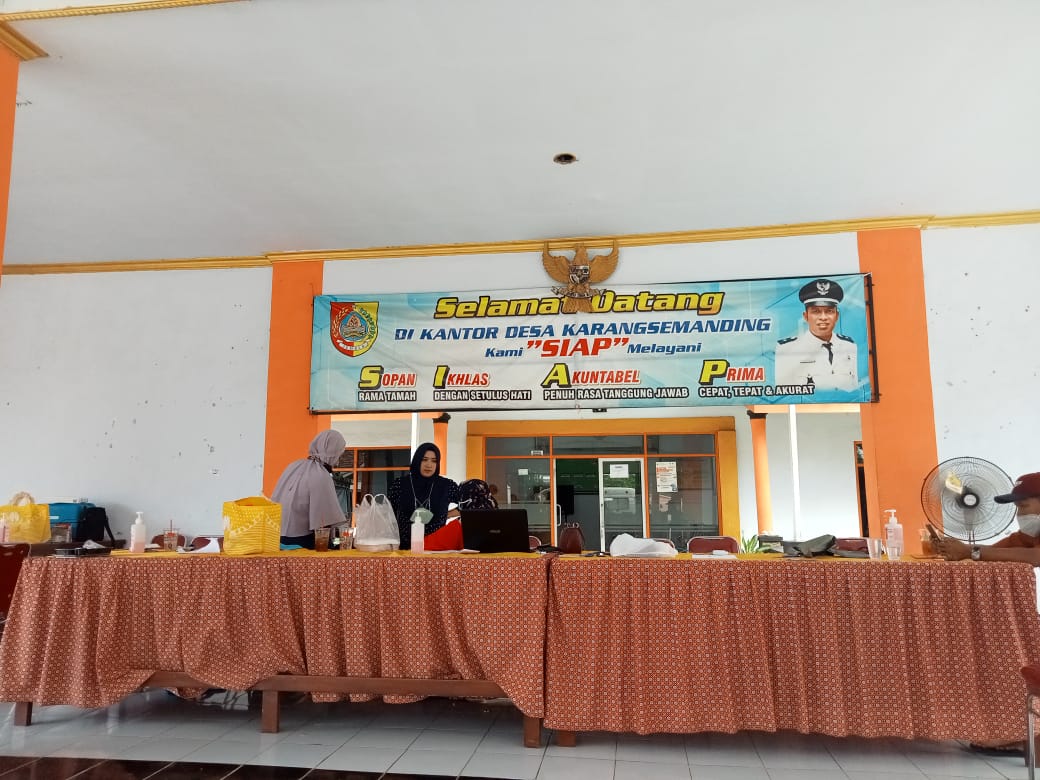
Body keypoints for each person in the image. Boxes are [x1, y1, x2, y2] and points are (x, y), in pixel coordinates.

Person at [936, 472, 1040, 565]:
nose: (1019, 514)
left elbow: (1035, 557)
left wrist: (968, 552)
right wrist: (950, 547)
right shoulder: (1028, 536)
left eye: (1023, 506)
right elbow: (994, 550)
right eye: (1017, 507)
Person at [775, 278, 858, 391]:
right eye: (816, 311)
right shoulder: (787, 349)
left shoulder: (849, 346)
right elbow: (783, 394)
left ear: (837, 316)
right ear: (805, 316)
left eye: (829, 311)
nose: (823, 317)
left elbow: (854, 388)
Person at [272, 429, 347, 549]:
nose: (338, 461)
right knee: (337, 545)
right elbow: (324, 523)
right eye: (339, 455)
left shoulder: (293, 466)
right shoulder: (321, 475)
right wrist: (340, 541)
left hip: (276, 536)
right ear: (333, 453)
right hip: (301, 541)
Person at [388, 442, 460, 550]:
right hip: (406, 549)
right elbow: (388, 514)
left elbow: (468, 505)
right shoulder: (400, 484)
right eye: (424, 459)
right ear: (417, 460)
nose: (429, 465)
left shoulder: (447, 485)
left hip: (437, 549)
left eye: (434, 461)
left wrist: (447, 514)